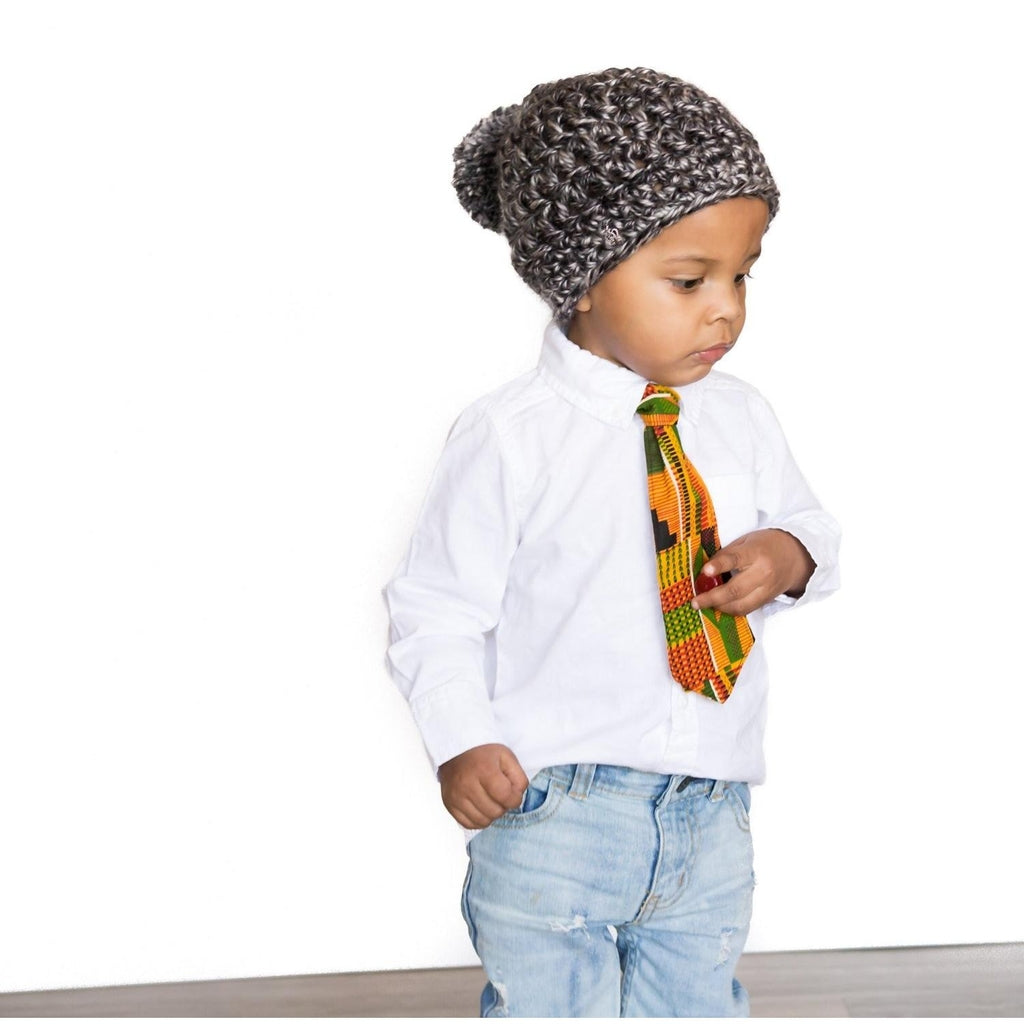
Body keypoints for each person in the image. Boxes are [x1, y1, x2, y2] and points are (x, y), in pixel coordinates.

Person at [382, 67, 840, 1018]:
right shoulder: (514, 435)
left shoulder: (741, 418)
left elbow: (812, 527)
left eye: (742, 274)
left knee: (698, 1004)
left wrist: (789, 557)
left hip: (710, 804)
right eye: (688, 280)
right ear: (581, 279)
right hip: (557, 806)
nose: (726, 308)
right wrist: (461, 741)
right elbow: (436, 609)